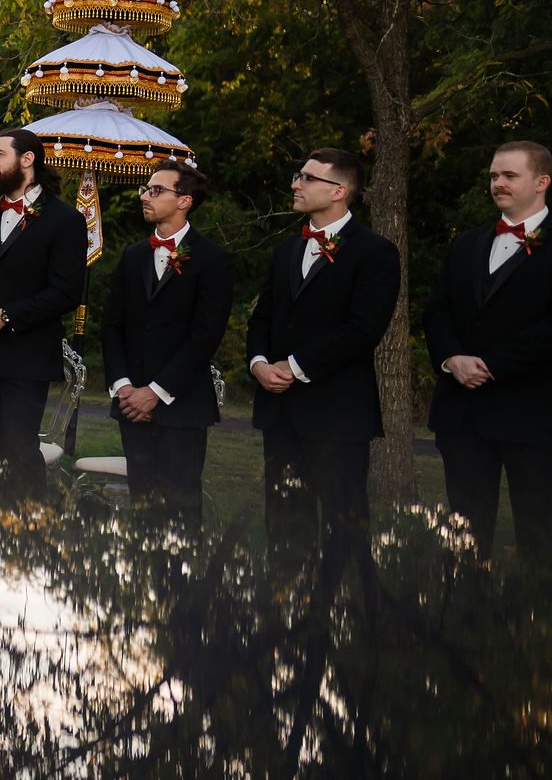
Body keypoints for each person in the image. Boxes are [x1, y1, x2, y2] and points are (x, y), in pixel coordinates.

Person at [247, 147, 400, 541]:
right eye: (298, 176)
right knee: (283, 524)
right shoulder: (287, 250)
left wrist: (294, 367)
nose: (296, 184)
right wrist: (260, 362)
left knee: (343, 525)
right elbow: (263, 316)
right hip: (280, 412)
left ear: (339, 191)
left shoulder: (375, 252)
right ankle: (286, 598)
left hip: (338, 413)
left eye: (308, 178)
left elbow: (363, 328)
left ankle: (344, 602)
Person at [426, 139, 552, 555]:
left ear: (542, 181)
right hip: (462, 415)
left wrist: (492, 364)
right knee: (463, 535)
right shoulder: (467, 245)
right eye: (495, 175)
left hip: (533, 414)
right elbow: (438, 309)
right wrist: (451, 358)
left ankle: (530, 619)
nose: (498, 183)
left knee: (540, 536)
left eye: (510, 175)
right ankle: (463, 612)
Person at [0, 128, 87, 504]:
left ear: (27, 159)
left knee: (21, 450)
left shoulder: (65, 220)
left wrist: (6, 317)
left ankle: (28, 543)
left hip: (26, 355)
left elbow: (65, 292)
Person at [100, 161, 234, 515]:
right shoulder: (133, 256)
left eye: (157, 190)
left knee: (180, 510)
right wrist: (124, 387)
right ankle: (144, 571)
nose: (145, 195)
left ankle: (177, 573)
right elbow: (112, 325)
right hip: (131, 406)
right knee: (142, 504)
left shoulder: (212, 260)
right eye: (146, 188)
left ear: (185, 200)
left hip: (183, 406)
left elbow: (205, 335)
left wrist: (155, 393)